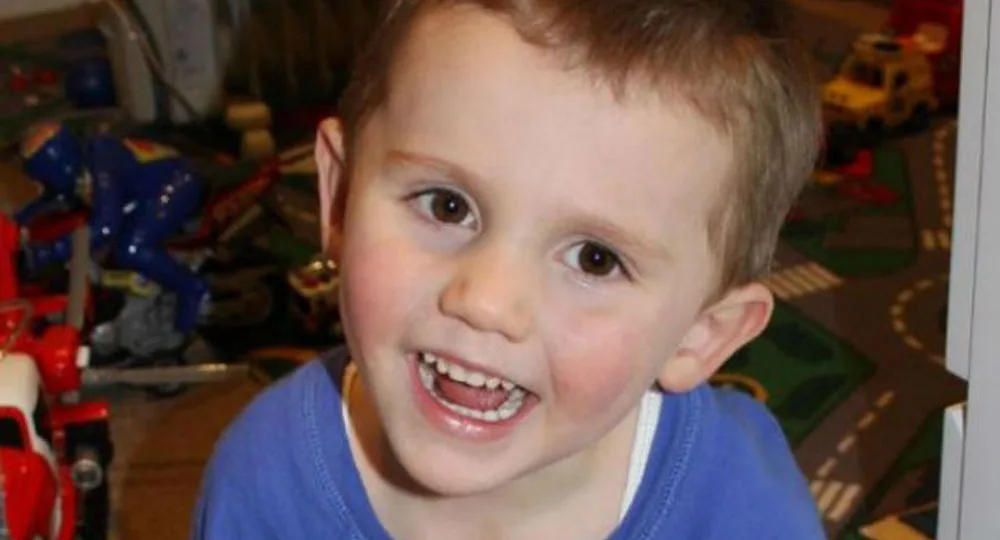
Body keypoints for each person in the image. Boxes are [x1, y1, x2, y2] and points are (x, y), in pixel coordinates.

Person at [194, 0, 825, 537]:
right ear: (339, 198)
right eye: (447, 205)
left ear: (700, 334)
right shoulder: (265, 479)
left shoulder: (743, 507)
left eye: (594, 258)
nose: (487, 300)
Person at [16, 122, 209, 333]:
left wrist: (50, 252)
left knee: (131, 248)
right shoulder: (83, 164)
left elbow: (105, 226)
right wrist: (15, 224)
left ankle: (191, 288)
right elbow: (53, 197)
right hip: (145, 191)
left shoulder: (101, 166)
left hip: (175, 182)